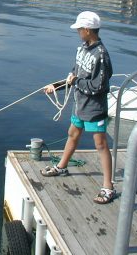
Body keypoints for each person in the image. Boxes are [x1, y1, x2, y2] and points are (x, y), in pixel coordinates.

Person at [41, 11, 115, 205]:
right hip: (79, 105)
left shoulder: (101, 55)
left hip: (94, 108)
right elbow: (73, 76)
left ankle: (108, 186)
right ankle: (62, 166)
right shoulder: (82, 49)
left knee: (101, 144)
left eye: (79, 29)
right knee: (72, 134)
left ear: (88, 30)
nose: (78, 32)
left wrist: (77, 82)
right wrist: (56, 86)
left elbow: (100, 86)